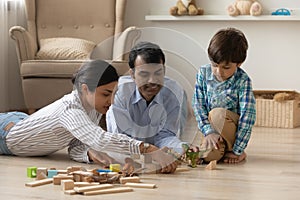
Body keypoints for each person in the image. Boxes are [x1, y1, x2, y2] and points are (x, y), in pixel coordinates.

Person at [0, 59, 177, 173]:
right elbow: (100, 139)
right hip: (6, 134)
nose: (111, 101)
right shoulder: (70, 110)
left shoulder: (92, 107)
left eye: (114, 93)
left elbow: (76, 145)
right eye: (106, 94)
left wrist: (90, 153)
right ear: (85, 89)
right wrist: (149, 149)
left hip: (21, 121)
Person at [106, 41, 189, 156]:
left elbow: (167, 135)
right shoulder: (120, 92)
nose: (152, 81)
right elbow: (120, 141)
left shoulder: (174, 92)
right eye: (144, 75)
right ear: (132, 74)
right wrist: (149, 151)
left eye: (158, 73)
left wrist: (183, 149)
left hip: (155, 152)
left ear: (164, 71)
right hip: (129, 151)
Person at [192, 27, 256, 164]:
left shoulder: (243, 81)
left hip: (231, 130)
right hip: (211, 131)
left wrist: (238, 149)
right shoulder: (203, 73)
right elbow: (198, 105)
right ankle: (215, 149)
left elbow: (247, 118)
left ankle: (231, 149)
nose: (218, 72)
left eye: (226, 67)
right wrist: (208, 132)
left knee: (217, 114)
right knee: (209, 157)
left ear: (239, 64)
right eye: (215, 65)